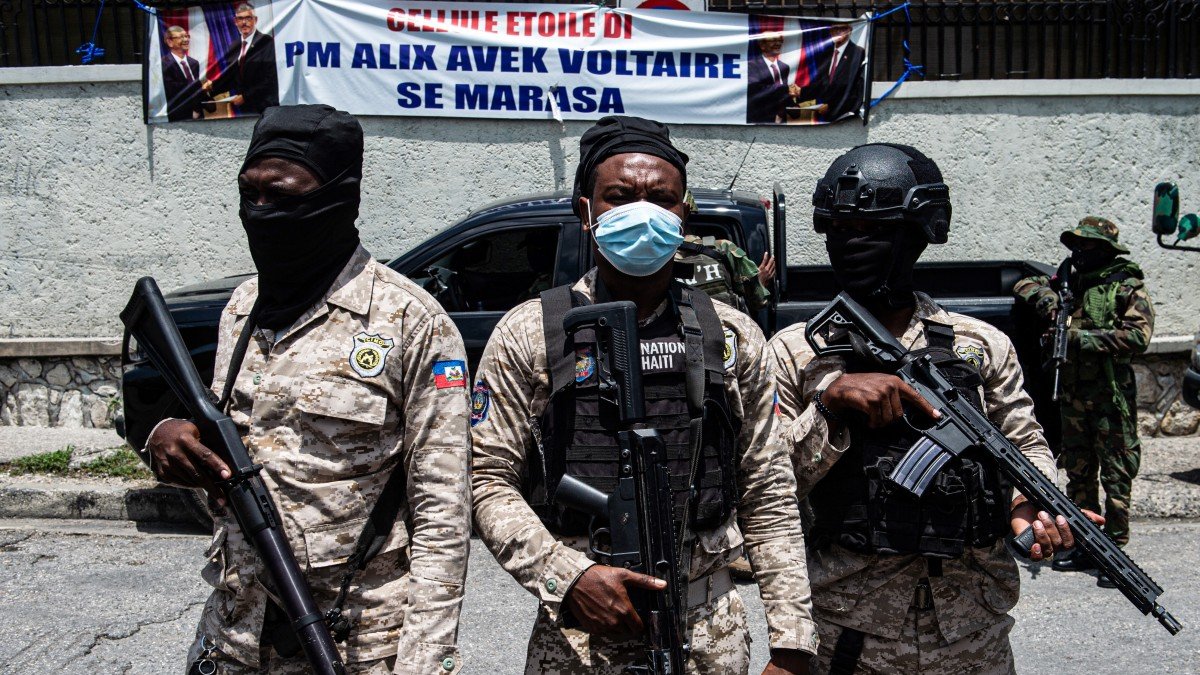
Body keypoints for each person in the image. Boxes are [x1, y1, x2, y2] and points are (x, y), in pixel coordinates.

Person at [470, 115, 817, 674]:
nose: (642, 211)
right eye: (619, 196)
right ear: (585, 212)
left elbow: (767, 487)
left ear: (683, 215)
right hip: (579, 631)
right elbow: (487, 478)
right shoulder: (532, 331)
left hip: (707, 628)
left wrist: (793, 641)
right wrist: (569, 576)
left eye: (661, 199)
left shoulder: (729, 334)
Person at [145, 105, 470, 674]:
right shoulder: (244, 308)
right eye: (252, 194)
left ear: (343, 198)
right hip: (237, 629)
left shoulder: (410, 321)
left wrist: (425, 662)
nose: (263, 212)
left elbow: (443, 514)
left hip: (355, 640)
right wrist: (171, 435)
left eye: (288, 196)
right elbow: (234, 442)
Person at [769, 143, 1104, 673]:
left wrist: (1031, 509)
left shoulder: (980, 343)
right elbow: (770, 490)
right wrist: (829, 407)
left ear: (918, 233)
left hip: (973, 632)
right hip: (851, 631)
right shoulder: (793, 350)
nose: (853, 244)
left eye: (874, 231)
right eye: (840, 229)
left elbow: (1026, 445)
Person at [1014, 216, 1153, 587]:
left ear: (1105, 250)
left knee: (1116, 474)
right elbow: (1024, 283)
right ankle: (1087, 545)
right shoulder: (1069, 282)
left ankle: (1116, 552)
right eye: (1076, 245)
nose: (1079, 252)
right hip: (1073, 396)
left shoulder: (1125, 286)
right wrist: (1047, 301)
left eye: (1087, 246)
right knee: (1078, 472)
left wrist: (1079, 338)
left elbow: (1138, 338)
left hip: (1110, 397)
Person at [209, 2, 280, 115]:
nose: (244, 23)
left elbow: (270, 78)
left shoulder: (266, 42)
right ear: (235, 21)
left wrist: (245, 96)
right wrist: (211, 88)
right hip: (245, 109)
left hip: (265, 107)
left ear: (255, 20)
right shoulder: (234, 46)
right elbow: (231, 77)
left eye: (248, 18)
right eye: (240, 19)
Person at [805, 23, 866, 122]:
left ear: (849, 31)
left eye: (842, 29)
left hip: (846, 115)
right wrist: (800, 93)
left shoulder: (857, 52)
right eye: (835, 29)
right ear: (830, 32)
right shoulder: (825, 53)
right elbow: (820, 84)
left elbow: (852, 86)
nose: (838, 32)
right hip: (825, 116)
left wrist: (830, 105)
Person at [161, 25, 205, 122]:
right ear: (170, 42)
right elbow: (172, 91)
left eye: (187, 36)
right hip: (178, 116)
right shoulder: (163, 64)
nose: (186, 40)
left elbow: (196, 90)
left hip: (199, 116)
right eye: (181, 37)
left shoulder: (194, 63)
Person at [746, 32, 791, 124]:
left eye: (780, 41)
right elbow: (756, 90)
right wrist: (785, 88)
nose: (778, 44)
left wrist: (794, 105)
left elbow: (784, 95)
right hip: (760, 120)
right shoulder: (751, 66)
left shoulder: (784, 67)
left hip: (782, 121)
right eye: (773, 40)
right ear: (762, 45)